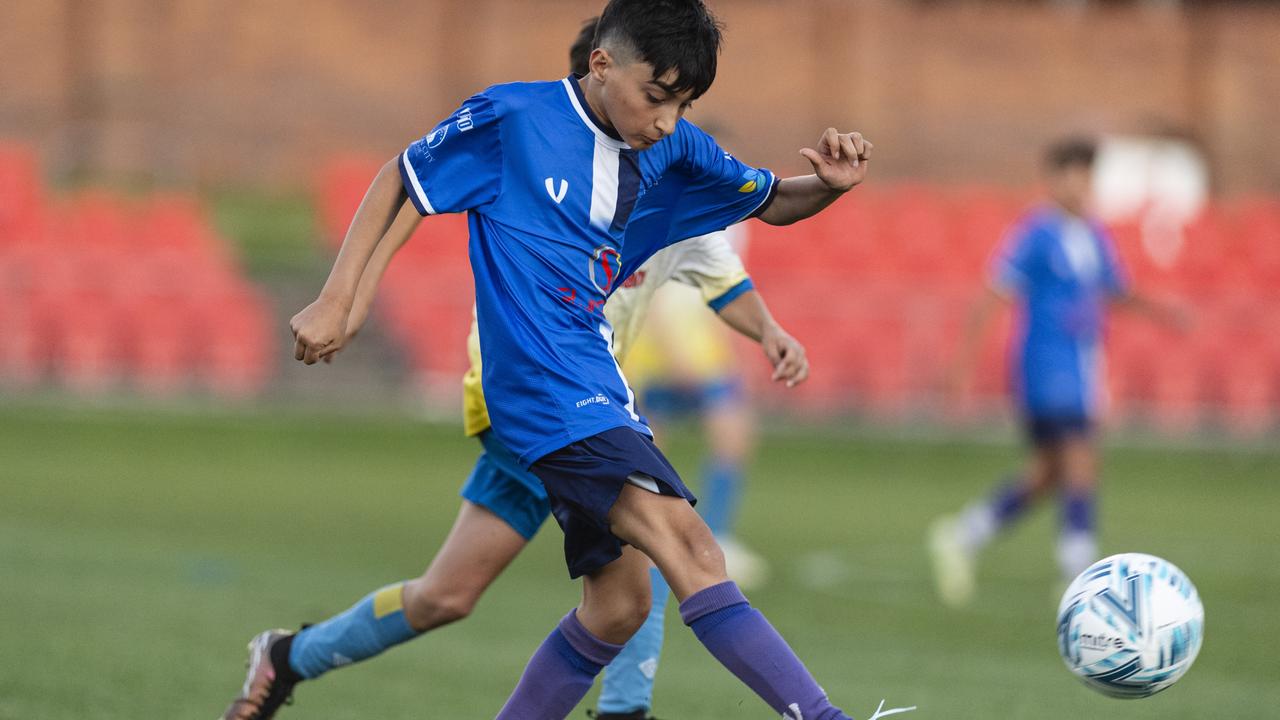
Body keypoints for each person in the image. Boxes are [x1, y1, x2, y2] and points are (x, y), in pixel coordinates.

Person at [289, 1, 899, 718]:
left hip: (591, 380)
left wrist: (826, 187)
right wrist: (342, 299)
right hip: (538, 386)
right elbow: (404, 175)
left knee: (618, 605)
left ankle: (288, 658)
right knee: (692, 549)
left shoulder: (675, 150)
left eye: (684, 103)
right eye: (656, 97)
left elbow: (771, 201)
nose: (668, 119)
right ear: (601, 64)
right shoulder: (513, 119)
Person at [929, 136, 1188, 608]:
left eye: (1087, 173)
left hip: (1083, 367)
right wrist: (963, 363)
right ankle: (1080, 577)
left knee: (1050, 473)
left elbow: (1116, 290)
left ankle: (963, 534)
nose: (1080, 182)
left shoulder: (1093, 235)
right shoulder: (1037, 234)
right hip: (1046, 365)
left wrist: (1161, 311)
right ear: (1052, 179)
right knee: (1080, 458)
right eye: (1071, 172)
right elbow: (993, 294)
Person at [622, 222, 770, 590]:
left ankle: (716, 535)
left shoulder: (733, 223)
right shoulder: (667, 207)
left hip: (705, 352)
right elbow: (650, 282)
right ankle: (645, 538)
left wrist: (736, 355)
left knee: (734, 434)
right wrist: (672, 349)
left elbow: (722, 291)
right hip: (657, 350)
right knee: (649, 448)